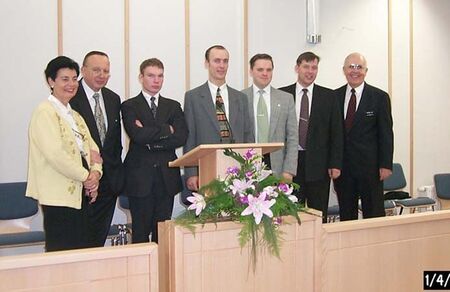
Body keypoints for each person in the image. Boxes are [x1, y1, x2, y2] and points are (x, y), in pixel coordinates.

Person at [26, 56, 102, 251]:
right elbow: (55, 155)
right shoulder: (45, 112)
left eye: (74, 79)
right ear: (51, 81)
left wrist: (96, 173)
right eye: (65, 79)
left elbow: (94, 151)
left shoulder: (75, 115)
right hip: (58, 196)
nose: (71, 84)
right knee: (61, 252)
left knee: (81, 250)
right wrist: (86, 176)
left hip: (80, 194)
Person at [121, 58, 188, 243]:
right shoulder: (129, 105)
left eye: (160, 76)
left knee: (163, 233)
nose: (156, 80)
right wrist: (167, 130)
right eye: (151, 76)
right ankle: (141, 272)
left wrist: (150, 139)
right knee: (140, 234)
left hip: (166, 178)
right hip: (139, 179)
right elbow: (137, 135)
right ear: (141, 77)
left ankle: (163, 272)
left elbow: (181, 137)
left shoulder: (173, 106)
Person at [279, 52, 343, 223]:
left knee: (317, 213)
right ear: (297, 68)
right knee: (290, 213)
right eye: (306, 67)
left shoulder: (329, 96)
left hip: (319, 166)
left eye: (314, 67)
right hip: (290, 164)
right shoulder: (283, 95)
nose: (310, 71)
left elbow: (336, 132)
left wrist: (335, 163)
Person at [70, 51, 124, 247]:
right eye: (96, 70)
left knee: (98, 240)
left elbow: (114, 143)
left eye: (106, 71)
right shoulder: (70, 97)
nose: (102, 75)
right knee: (78, 241)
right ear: (83, 70)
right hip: (81, 182)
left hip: (109, 184)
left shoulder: (113, 99)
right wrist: (88, 174)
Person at [184, 45, 254, 191]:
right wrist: (191, 172)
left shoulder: (240, 98)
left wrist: (250, 167)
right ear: (207, 63)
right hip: (206, 167)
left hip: (237, 169)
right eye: (217, 61)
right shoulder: (193, 97)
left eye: (225, 61)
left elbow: (248, 135)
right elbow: (189, 137)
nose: (221, 65)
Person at [334, 52, 394, 221]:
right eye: (351, 67)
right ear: (344, 70)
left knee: (374, 214)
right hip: (343, 169)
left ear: (366, 71)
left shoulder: (379, 97)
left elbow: (386, 133)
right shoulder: (334, 97)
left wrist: (386, 164)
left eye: (359, 67)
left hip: (371, 169)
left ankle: (376, 247)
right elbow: (332, 135)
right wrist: (332, 163)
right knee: (347, 215)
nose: (355, 71)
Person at [241, 53, 297, 181]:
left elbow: (293, 137)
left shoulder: (286, 99)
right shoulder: (240, 98)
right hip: (249, 165)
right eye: (260, 69)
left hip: (278, 166)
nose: (265, 73)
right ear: (251, 71)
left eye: (268, 70)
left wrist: (289, 170)